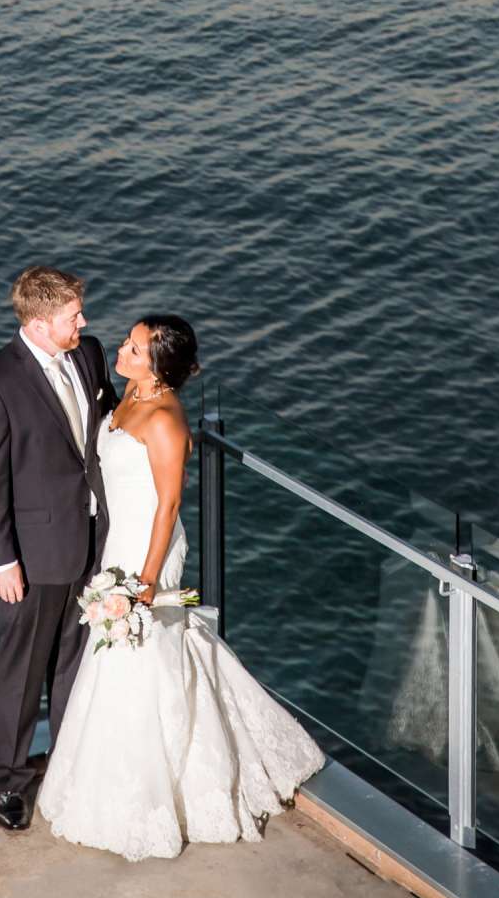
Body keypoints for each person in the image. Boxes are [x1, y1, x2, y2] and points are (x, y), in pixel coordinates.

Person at [37, 314, 324, 860]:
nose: (121, 349)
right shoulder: (126, 394)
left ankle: (156, 792)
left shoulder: (167, 420)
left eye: (135, 348)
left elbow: (168, 506)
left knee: (142, 658)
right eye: (128, 341)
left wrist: (145, 579)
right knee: (115, 659)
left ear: (158, 367)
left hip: (148, 549)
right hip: (118, 540)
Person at [0, 265, 117, 830]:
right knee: (22, 673)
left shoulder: (90, 354)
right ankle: (11, 782)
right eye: (75, 314)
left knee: (76, 666)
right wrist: (0, 560)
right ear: (42, 322)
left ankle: (71, 766)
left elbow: (106, 428)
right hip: (29, 557)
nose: (86, 321)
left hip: (90, 542)